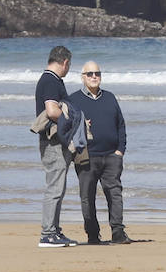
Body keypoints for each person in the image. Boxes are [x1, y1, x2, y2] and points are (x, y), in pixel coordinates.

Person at [69, 61, 133, 245]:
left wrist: (120, 150)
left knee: (114, 192)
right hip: (86, 156)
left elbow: (121, 124)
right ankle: (92, 234)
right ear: (83, 77)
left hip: (112, 155)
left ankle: (118, 231)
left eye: (97, 73)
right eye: (89, 74)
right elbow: (65, 127)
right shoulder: (73, 100)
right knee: (87, 196)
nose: (94, 76)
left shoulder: (110, 97)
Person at [36, 45, 79, 248]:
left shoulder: (49, 80)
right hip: (53, 142)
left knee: (58, 187)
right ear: (65, 63)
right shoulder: (51, 80)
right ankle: (48, 234)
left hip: (53, 142)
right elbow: (52, 111)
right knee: (55, 188)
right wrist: (71, 122)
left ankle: (54, 231)